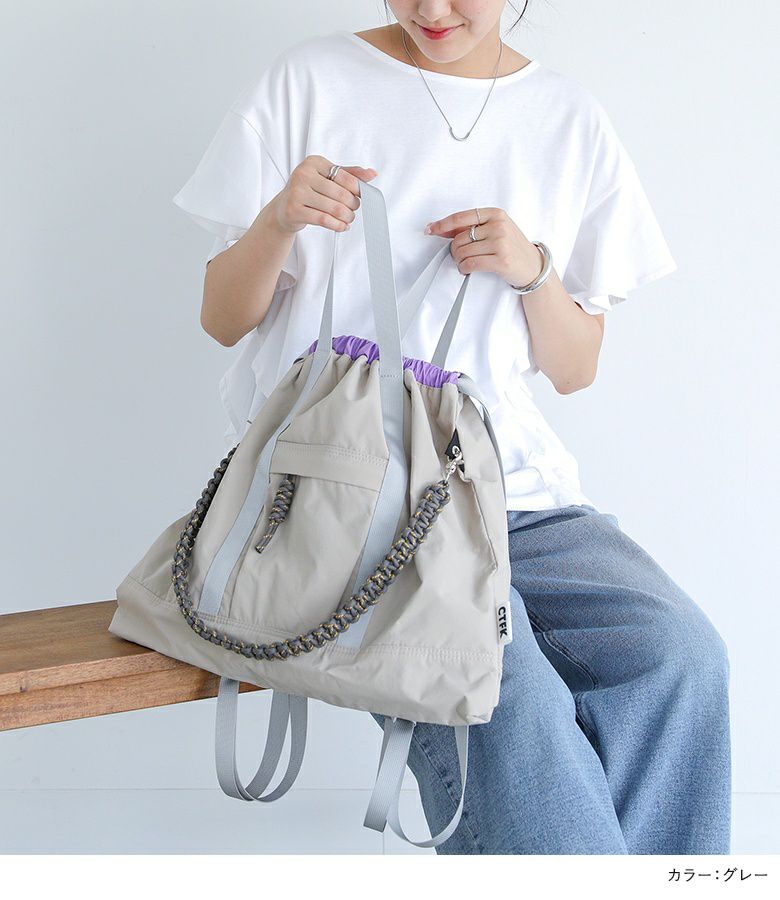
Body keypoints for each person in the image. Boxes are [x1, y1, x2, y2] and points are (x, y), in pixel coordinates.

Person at [170, 2, 731, 855]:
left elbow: (576, 368)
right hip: (353, 497)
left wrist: (534, 272)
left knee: (679, 657)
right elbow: (222, 320)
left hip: (512, 492)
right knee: (504, 690)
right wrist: (280, 219)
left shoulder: (568, 118)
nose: (431, 9)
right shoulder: (308, 82)